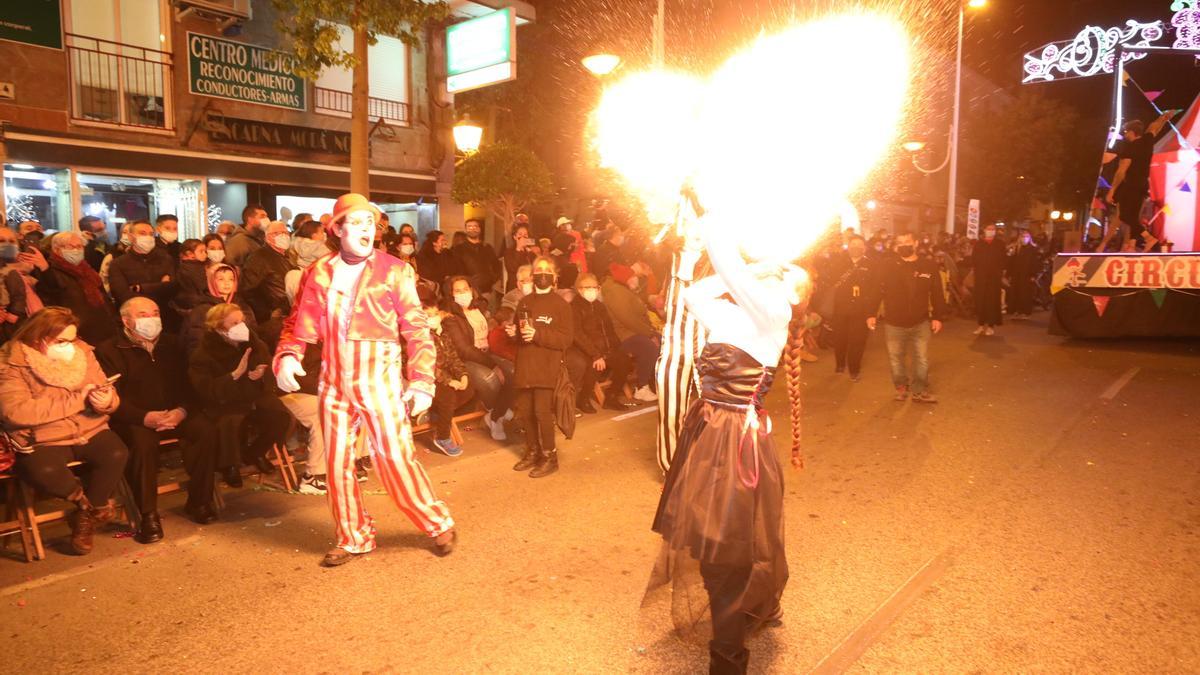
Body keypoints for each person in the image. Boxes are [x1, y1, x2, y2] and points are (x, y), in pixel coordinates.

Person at [649, 213, 811, 675]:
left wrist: (716, 218)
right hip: (707, 435)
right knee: (708, 541)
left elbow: (734, 275)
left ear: (797, 297)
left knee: (729, 551)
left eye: (789, 276)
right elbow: (697, 294)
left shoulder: (774, 315)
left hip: (736, 445)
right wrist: (758, 269)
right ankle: (752, 608)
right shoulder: (736, 313)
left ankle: (729, 659)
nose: (780, 274)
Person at [274, 192, 457, 567]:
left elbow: (417, 329)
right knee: (337, 461)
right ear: (337, 228)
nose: (365, 230)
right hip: (333, 377)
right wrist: (288, 354)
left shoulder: (395, 270)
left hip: (380, 375)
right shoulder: (318, 272)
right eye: (356, 222)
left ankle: (436, 521)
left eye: (370, 223)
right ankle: (353, 536)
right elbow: (298, 323)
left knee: (394, 456)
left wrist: (421, 379)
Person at [0, 307, 128, 555]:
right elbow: (15, 412)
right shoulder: (11, 362)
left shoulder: (82, 352)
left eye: (72, 339)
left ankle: (84, 517)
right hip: (41, 435)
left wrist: (108, 401)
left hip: (88, 426)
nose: (69, 346)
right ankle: (87, 506)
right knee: (43, 470)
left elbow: (104, 386)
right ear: (39, 337)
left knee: (115, 453)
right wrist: (76, 401)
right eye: (61, 341)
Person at [96, 298, 219, 543]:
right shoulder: (109, 350)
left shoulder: (172, 344)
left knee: (205, 430)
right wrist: (144, 417)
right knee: (142, 444)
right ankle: (147, 514)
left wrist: (182, 410)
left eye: (155, 312)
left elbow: (190, 386)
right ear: (126, 321)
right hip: (134, 416)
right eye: (143, 314)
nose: (151, 319)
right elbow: (112, 399)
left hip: (173, 411)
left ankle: (199, 501)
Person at [188, 302, 291, 488]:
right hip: (225, 399)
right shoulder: (203, 353)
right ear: (219, 327)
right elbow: (206, 390)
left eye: (242, 321)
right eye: (233, 323)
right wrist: (233, 376)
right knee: (230, 419)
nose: (241, 327)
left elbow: (269, 371)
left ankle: (255, 452)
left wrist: (261, 374)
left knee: (281, 415)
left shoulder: (255, 343)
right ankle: (229, 466)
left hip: (253, 395)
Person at [508, 255, 573, 478]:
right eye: (538, 269)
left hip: (547, 367)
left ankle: (549, 456)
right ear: (532, 275)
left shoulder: (561, 305)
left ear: (554, 277)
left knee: (542, 413)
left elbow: (565, 339)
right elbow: (521, 334)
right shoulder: (525, 302)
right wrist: (515, 333)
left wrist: (538, 334)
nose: (542, 273)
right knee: (525, 412)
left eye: (547, 270)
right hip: (526, 364)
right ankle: (533, 451)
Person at [867, 232, 946, 404]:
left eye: (907, 242)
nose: (904, 245)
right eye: (900, 242)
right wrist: (871, 313)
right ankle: (901, 388)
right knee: (896, 359)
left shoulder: (928, 266)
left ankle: (919, 390)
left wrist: (938, 316)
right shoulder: (887, 266)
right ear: (896, 246)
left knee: (922, 359)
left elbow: (937, 292)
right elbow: (876, 290)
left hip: (921, 321)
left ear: (916, 243)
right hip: (894, 323)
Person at [442, 276, 514, 441]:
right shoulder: (450, 317)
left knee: (513, 370)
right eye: (457, 291)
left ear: (471, 290)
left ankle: (496, 414)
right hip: (464, 360)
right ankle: (496, 415)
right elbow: (464, 349)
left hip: (487, 353)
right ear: (451, 294)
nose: (463, 293)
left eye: (465, 289)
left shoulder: (478, 308)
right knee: (489, 378)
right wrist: (493, 364)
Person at [1103, 113, 1175, 251]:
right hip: (1143, 184)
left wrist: (1112, 190)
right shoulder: (1147, 140)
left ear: (1131, 132)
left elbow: (1121, 171)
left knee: (1125, 215)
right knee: (1134, 217)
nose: (1124, 135)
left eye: (1126, 132)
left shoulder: (1129, 148)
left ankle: (1148, 238)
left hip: (1131, 184)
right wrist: (1163, 118)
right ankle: (1131, 245)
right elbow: (1154, 128)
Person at [418, 284, 475, 456]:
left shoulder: (442, 334)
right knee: (447, 395)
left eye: (435, 314)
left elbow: (453, 358)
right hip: (425, 379)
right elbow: (427, 366)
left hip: (444, 377)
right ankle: (442, 436)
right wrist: (450, 381)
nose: (433, 318)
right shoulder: (418, 338)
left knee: (470, 388)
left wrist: (462, 375)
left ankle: (436, 413)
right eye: (428, 316)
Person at [567, 273, 633, 412]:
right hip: (586, 350)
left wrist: (617, 348)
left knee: (624, 361)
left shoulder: (599, 306)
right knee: (596, 365)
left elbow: (609, 329)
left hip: (605, 348)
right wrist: (596, 354)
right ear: (579, 289)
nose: (592, 290)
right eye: (587, 287)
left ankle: (611, 397)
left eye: (595, 287)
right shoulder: (574, 307)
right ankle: (583, 399)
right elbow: (577, 335)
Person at [39, 231, 117, 346]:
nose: (76, 250)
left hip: (102, 330)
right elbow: (51, 298)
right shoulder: (50, 273)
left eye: (79, 246)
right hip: (76, 332)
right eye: (70, 246)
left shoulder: (88, 271)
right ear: (56, 250)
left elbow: (104, 298)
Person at [602, 266, 660, 402]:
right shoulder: (616, 292)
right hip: (625, 335)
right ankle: (642, 386)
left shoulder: (623, 290)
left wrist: (651, 331)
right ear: (627, 278)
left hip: (635, 331)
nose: (637, 280)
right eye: (634, 277)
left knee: (663, 341)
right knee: (649, 347)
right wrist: (649, 333)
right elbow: (628, 319)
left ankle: (654, 382)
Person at [182, 263, 259, 358]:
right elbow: (196, 342)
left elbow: (253, 333)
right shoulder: (202, 310)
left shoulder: (242, 306)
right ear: (211, 281)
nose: (227, 283)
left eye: (231, 279)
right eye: (221, 279)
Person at [828, 235, 875, 381]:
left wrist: (871, 311)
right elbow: (831, 281)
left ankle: (854, 369)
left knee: (858, 340)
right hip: (840, 308)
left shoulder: (871, 264)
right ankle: (840, 364)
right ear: (848, 247)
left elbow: (873, 287)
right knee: (840, 338)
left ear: (864, 247)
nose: (856, 247)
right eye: (853, 244)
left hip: (861, 310)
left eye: (859, 245)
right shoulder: (838, 263)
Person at [108, 220, 177, 316]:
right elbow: (122, 294)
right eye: (142, 233)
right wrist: (160, 285)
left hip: (164, 314)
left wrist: (140, 288)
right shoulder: (118, 264)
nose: (148, 237)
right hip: (135, 316)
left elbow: (173, 288)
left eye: (151, 234)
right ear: (131, 237)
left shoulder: (166, 259)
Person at [240, 220, 294, 339]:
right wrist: (268, 313)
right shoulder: (259, 258)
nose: (283, 236)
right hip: (273, 321)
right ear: (267, 237)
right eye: (276, 233)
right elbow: (248, 290)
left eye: (285, 232)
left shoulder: (288, 256)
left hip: (289, 315)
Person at [0, 227, 46, 341]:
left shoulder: (32, 269)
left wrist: (45, 269)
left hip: (26, 329)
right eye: (1, 241)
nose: (7, 245)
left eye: (11, 241)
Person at [971, 224, 1007, 336]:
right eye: (988, 229)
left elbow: (1003, 260)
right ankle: (980, 325)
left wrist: (1001, 273)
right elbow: (974, 259)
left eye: (992, 229)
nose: (990, 231)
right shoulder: (979, 244)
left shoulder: (1000, 244)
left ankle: (991, 326)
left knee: (992, 301)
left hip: (994, 278)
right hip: (981, 277)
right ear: (984, 230)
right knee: (981, 300)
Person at [455, 218, 501, 303]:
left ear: (479, 229)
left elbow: (496, 265)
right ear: (466, 230)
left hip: (488, 290)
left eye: (475, 226)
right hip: (469, 291)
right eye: (469, 227)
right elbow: (457, 270)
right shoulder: (459, 249)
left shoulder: (487, 248)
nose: (473, 229)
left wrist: (492, 280)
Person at [172, 238, 209, 319]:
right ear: (190, 254)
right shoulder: (192, 268)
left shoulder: (194, 266)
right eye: (201, 251)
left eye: (205, 251)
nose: (205, 254)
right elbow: (202, 286)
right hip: (194, 303)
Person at [1008, 230, 1039, 319]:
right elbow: (1012, 261)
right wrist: (1009, 273)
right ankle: (1016, 311)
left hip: (1027, 275)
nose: (1024, 239)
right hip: (1016, 274)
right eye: (1022, 237)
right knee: (1015, 292)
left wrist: (1033, 274)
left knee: (1025, 293)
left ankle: (1025, 312)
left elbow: (1034, 263)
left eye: (1026, 237)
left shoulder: (1033, 249)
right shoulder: (1017, 248)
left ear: (1029, 238)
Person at [503, 223, 538, 292]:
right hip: (514, 288)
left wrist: (535, 253)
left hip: (529, 288)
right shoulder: (509, 252)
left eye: (525, 235)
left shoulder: (530, 253)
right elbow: (512, 268)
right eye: (520, 234)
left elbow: (536, 267)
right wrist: (519, 248)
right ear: (515, 237)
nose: (523, 237)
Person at [100, 223, 133, 294]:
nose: (127, 235)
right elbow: (104, 282)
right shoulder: (112, 255)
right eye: (124, 232)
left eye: (130, 232)